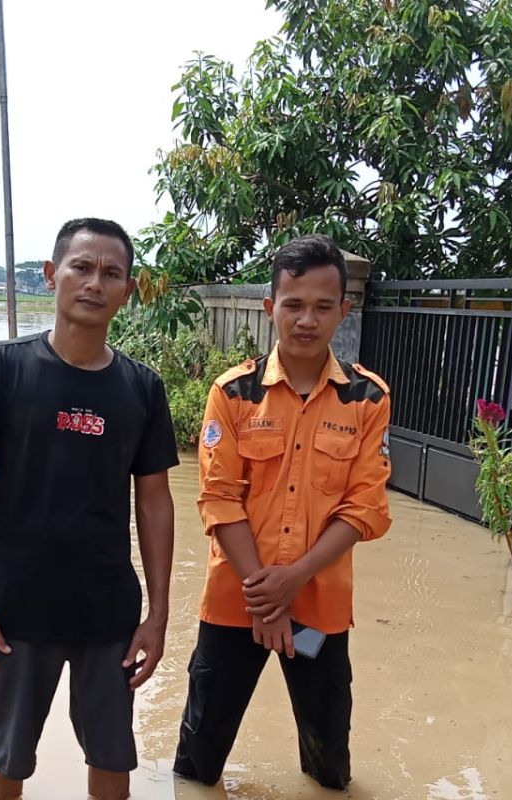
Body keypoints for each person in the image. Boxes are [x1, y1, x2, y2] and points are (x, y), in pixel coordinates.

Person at [0, 218, 179, 800]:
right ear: (52, 275)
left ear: (128, 291)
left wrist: (158, 612)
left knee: (111, 758)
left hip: (108, 613)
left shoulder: (142, 388)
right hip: (15, 612)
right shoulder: (2, 368)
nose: (94, 283)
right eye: (81, 267)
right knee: (7, 758)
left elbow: (154, 504)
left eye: (111, 273)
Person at [173, 234, 392, 791]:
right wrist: (264, 599)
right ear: (271, 308)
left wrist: (292, 580)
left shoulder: (366, 400)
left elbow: (365, 505)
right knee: (198, 765)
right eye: (293, 305)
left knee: (329, 770)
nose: (307, 319)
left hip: (318, 607)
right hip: (232, 606)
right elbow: (218, 498)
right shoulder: (233, 393)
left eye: (323, 306)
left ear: (344, 311)